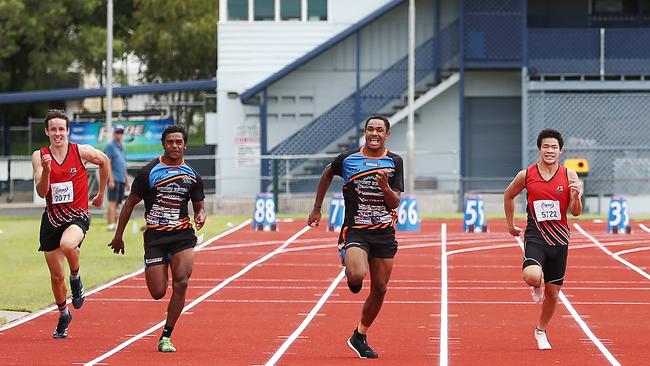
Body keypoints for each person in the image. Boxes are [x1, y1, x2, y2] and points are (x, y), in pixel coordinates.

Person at [307, 115, 403, 359]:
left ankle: (359, 335)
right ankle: (350, 266)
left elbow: (395, 203)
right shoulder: (348, 159)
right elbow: (327, 174)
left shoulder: (394, 162)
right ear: (365, 132)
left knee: (380, 288)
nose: (374, 133)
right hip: (356, 230)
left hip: (384, 232)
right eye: (370, 129)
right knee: (358, 274)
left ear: (387, 135)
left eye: (379, 130)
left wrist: (384, 187)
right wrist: (317, 208)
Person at [108, 124, 206, 353]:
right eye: (170, 142)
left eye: (179, 142)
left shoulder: (193, 176)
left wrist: (201, 215)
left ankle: (166, 336)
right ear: (164, 144)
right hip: (155, 237)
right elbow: (130, 203)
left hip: (182, 235)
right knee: (158, 292)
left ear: (185, 145)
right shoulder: (148, 172)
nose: (174, 146)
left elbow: (199, 206)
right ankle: (158, 265)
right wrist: (119, 236)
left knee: (181, 281)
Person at [31, 109, 110, 339]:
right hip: (52, 219)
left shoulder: (81, 151)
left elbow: (104, 161)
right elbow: (42, 190)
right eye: (53, 129)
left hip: (77, 215)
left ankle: (76, 277)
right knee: (56, 278)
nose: (57, 133)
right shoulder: (39, 156)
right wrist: (46, 170)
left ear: (68, 131)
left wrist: (100, 194)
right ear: (47, 131)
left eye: (61, 129)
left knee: (68, 245)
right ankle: (64, 314)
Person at [503, 128, 582, 350]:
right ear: (539, 149)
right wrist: (510, 224)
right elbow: (509, 194)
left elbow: (575, 212)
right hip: (536, 237)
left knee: (553, 294)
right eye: (546, 146)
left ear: (560, 150)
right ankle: (536, 283)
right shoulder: (526, 175)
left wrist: (575, 197)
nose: (549, 150)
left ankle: (540, 331)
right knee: (531, 275)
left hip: (560, 240)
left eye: (553, 147)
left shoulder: (569, 175)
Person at [104, 124, 129, 231]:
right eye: (117, 132)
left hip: (121, 179)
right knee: (112, 201)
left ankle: (115, 223)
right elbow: (107, 163)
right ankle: (111, 224)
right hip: (114, 178)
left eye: (121, 132)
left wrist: (127, 180)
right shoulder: (110, 146)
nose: (119, 134)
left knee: (119, 202)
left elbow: (123, 165)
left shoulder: (122, 147)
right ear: (114, 133)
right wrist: (111, 179)